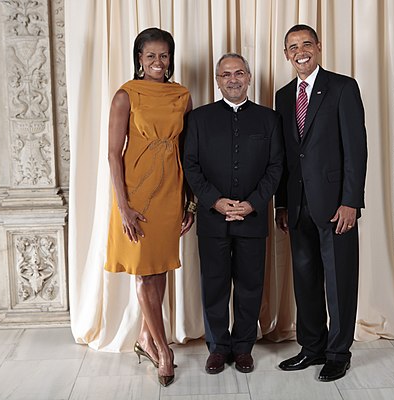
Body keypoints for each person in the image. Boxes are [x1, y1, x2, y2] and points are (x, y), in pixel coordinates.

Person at [274, 24, 368, 382]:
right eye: (293, 46)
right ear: (286, 55)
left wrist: (350, 202)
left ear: (319, 47)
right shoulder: (283, 96)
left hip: (335, 206)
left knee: (340, 280)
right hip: (298, 207)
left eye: (306, 44)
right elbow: (285, 156)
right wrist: (282, 204)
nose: (301, 51)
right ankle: (312, 348)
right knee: (305, 280)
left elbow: (356, 151)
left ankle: (338, 353)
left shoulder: (343, 88)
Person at [104, 27, 195, 387]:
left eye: (164, 55)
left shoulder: (182, 96)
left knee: (159, 269)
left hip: (171, 191)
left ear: (171, 58)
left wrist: (191, 200)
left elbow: (187, 152)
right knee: (144, 272)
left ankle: (146, 338)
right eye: (151, 56)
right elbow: (113, 155)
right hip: (136, 194)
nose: (158, 62)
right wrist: (123, 207)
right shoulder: (126, 96)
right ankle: (163, 350)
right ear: (139, 59)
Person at [184, 53, 283, 375]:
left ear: (249, 77)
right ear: (217, 81)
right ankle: (217, 347)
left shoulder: (269, 120)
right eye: (225, 75)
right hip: (213, 220)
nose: (233, 80)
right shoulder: (198, 119)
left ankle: (243, 348)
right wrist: (215, 201)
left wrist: (254, 202)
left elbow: (276, 167)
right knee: (213, 285)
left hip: (253, 219)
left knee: (250, 286)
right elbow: (191, 166)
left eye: (239, 73)